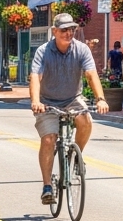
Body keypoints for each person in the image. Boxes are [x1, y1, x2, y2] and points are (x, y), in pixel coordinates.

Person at [29, 13, 108, 206]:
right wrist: (36, 101)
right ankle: (47, 186)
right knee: (49, 139)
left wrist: (100, 99)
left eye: (71, 29)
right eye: (63, 30)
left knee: (85, 121)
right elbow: (35, 77)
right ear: (54, 31)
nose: (68, 33)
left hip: (73, 98)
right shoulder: (43, 51)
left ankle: (76, 156)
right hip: (47, 101)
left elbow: (91, 74)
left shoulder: (81, 50)